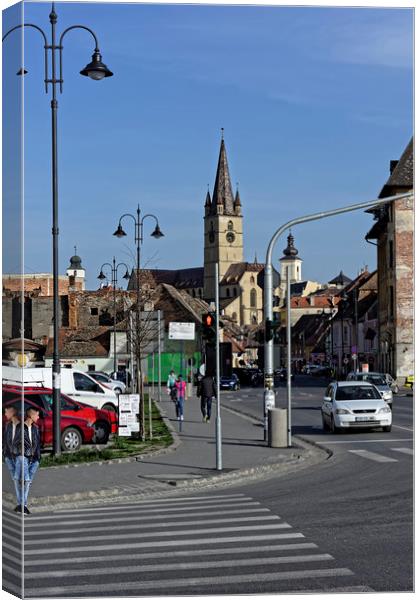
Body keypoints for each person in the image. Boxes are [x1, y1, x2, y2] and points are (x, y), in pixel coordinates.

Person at [12, 407, 41, 515]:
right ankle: (23, 506)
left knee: (27, 482)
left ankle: (21, 505)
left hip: (34, 460)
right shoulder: (20, 427)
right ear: (31, 415)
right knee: (26, 481)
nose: (38, 417)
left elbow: (37, 444)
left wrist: (38, 459)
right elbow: (15, 443)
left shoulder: (36, 428)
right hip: (23, 457)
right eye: (37, 415)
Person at [3, 406, 20, 495]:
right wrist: (5, 455)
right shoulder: (8, 425)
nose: (5, 414)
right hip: (9, 456)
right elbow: (5, 440)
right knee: (15, 479)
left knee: (18, 479)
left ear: (12, 413)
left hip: (18, 457)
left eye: (6, 412)